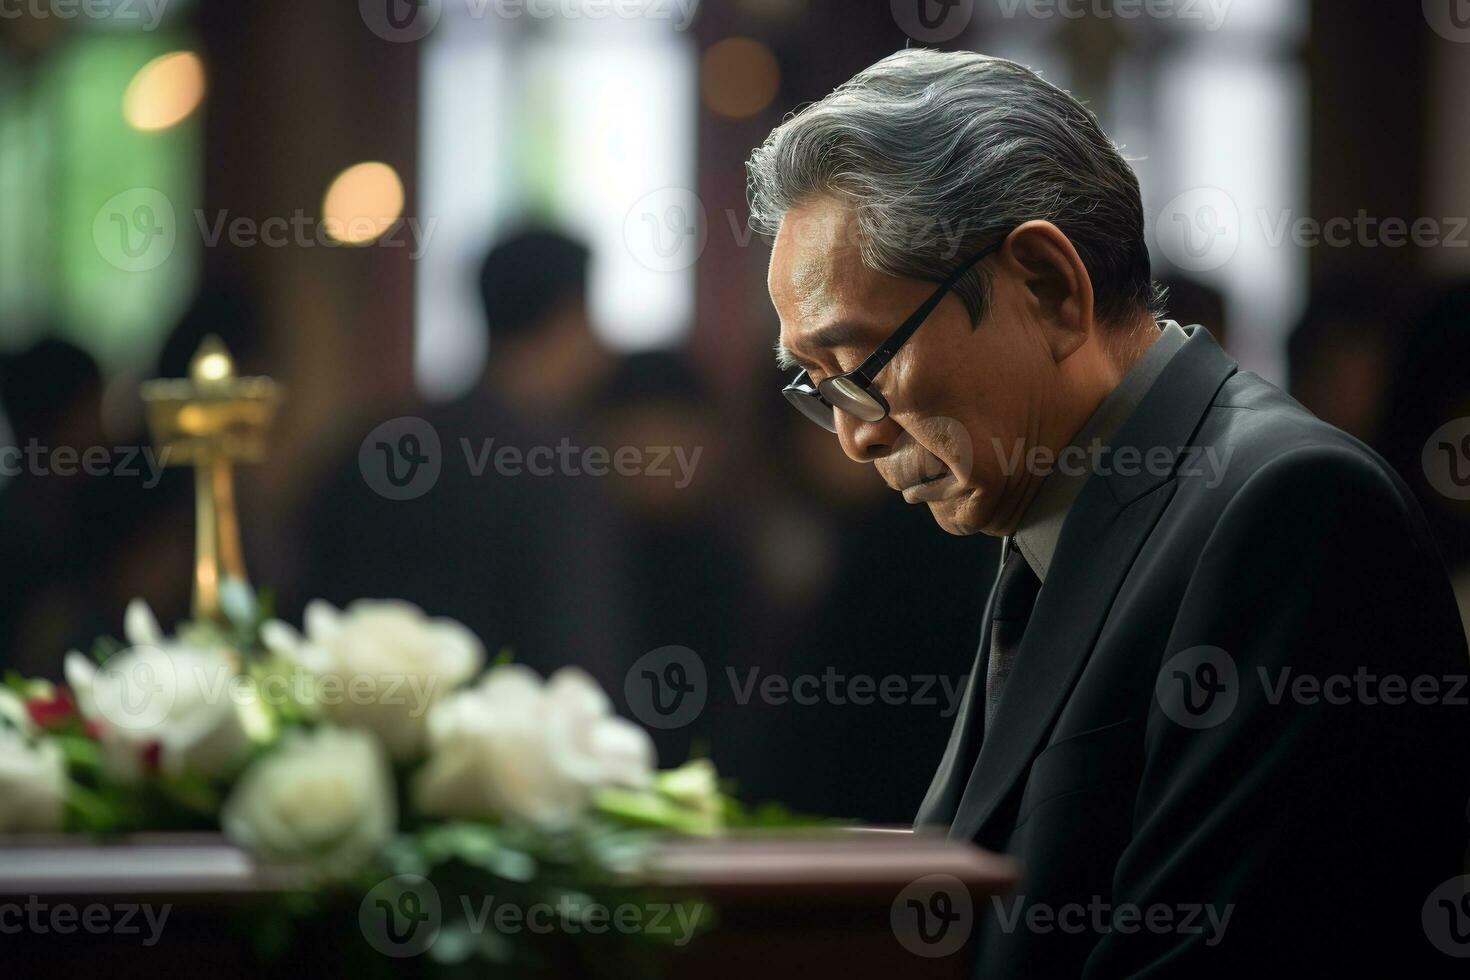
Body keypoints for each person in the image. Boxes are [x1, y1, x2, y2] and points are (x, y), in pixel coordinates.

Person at [748, 48, 1470, 975]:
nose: (853, 436)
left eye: (862, 367)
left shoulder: (1288, 508)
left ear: (1048, 287)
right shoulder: (1057, 502)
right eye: (819, 388)